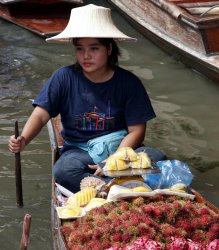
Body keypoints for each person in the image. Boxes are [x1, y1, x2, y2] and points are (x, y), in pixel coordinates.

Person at [8, 4, 166, 193]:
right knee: (63, 170)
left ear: (108, 49)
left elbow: (136, 131)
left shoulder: (129, 83)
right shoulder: (64, 77)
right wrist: (24, 140)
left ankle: (107, 184)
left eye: (94, 48)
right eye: (80, 49)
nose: (86, 56)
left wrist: (114, 161)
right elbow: (41, 114)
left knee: (159, 157)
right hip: (80, 152)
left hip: (121, 149)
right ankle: (110, 186)